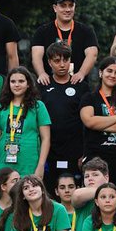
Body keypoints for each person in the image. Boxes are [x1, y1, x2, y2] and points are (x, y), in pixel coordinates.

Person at [80, 58, 116, 208]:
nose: (113, 75)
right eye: (109, 71)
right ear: (101, 73)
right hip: (97, 157)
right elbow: (89, 122)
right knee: (97, 201)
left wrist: (100, 124)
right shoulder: (90, 98)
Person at [38, 42, 88, 191]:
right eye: (57, 60)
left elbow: (87, 122)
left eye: (65, 60)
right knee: (50, 192)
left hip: (74, 151)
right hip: (49, 151)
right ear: (49, 62)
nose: (62, 65)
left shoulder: (81, 86)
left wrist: (84, 153)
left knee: (73, 192)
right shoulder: (42, 85)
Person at [0, 68, 51, 180]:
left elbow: (46, 138)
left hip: (29, 165)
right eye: (13, 81)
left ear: (28, 84)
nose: (16, 85)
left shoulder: (38, 106)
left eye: (21, 81)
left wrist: (41, 165)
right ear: (8, 84)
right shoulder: (1, 107)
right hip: (4, 165)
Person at [32, 0, 98, 85]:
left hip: (77, 83)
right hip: (49, 84)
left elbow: (92, 54)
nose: (67, 9)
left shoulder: (86, 31)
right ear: (55, 8)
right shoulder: (42, 31)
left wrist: (81, 73)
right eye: (63, 6)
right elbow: (36, 56)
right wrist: (41, 73)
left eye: (71, 5)